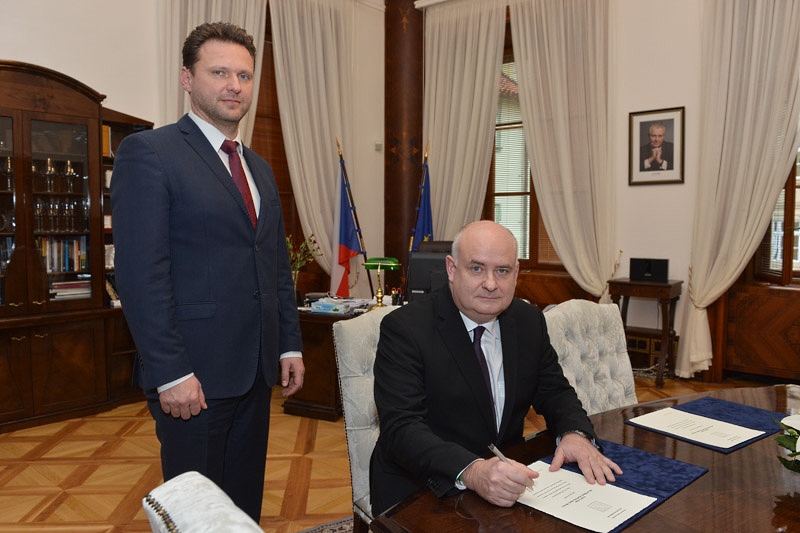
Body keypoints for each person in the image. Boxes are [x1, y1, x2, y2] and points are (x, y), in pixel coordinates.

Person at [110, 22, 304, 523]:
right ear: (186, 78)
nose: (234, 85)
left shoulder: (259, 168)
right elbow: (141, 276)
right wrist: (170, 372)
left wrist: (288, 343)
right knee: (196, 513)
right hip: (191, 376)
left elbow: (274, 265)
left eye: (244, 75)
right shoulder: (150, 153)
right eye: (219, 72)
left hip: (255, 370)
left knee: (242, 506)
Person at [370, 220, 621, 515]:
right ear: (451, 269)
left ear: (516, 273)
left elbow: (555, 391)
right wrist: (472, 471)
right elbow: (401, 428)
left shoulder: (528, 321)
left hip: (506, 477)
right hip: (423, 486)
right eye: (477, 268)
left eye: (502, 270)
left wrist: (574, 433)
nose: (490, 283)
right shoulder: (406, 328)